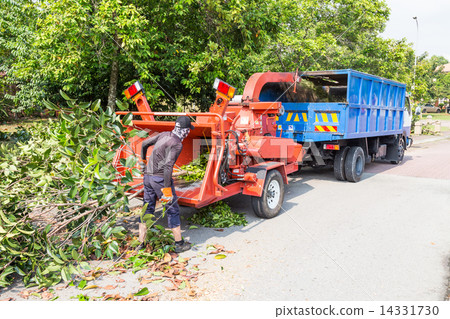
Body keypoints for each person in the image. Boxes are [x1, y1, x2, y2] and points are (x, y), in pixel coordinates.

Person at [138, 116, 194, 253]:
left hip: (148, 178)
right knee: (172, 209)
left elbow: (144, 144)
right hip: (160, 180)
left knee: (147, 209)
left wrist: (144, 162)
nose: (188, 133)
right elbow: (168, 166)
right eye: (188, 130)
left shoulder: (164, 134)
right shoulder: (177, 144)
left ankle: (141, 243)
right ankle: (179, 243)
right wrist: (167, 188)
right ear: (185, 130)